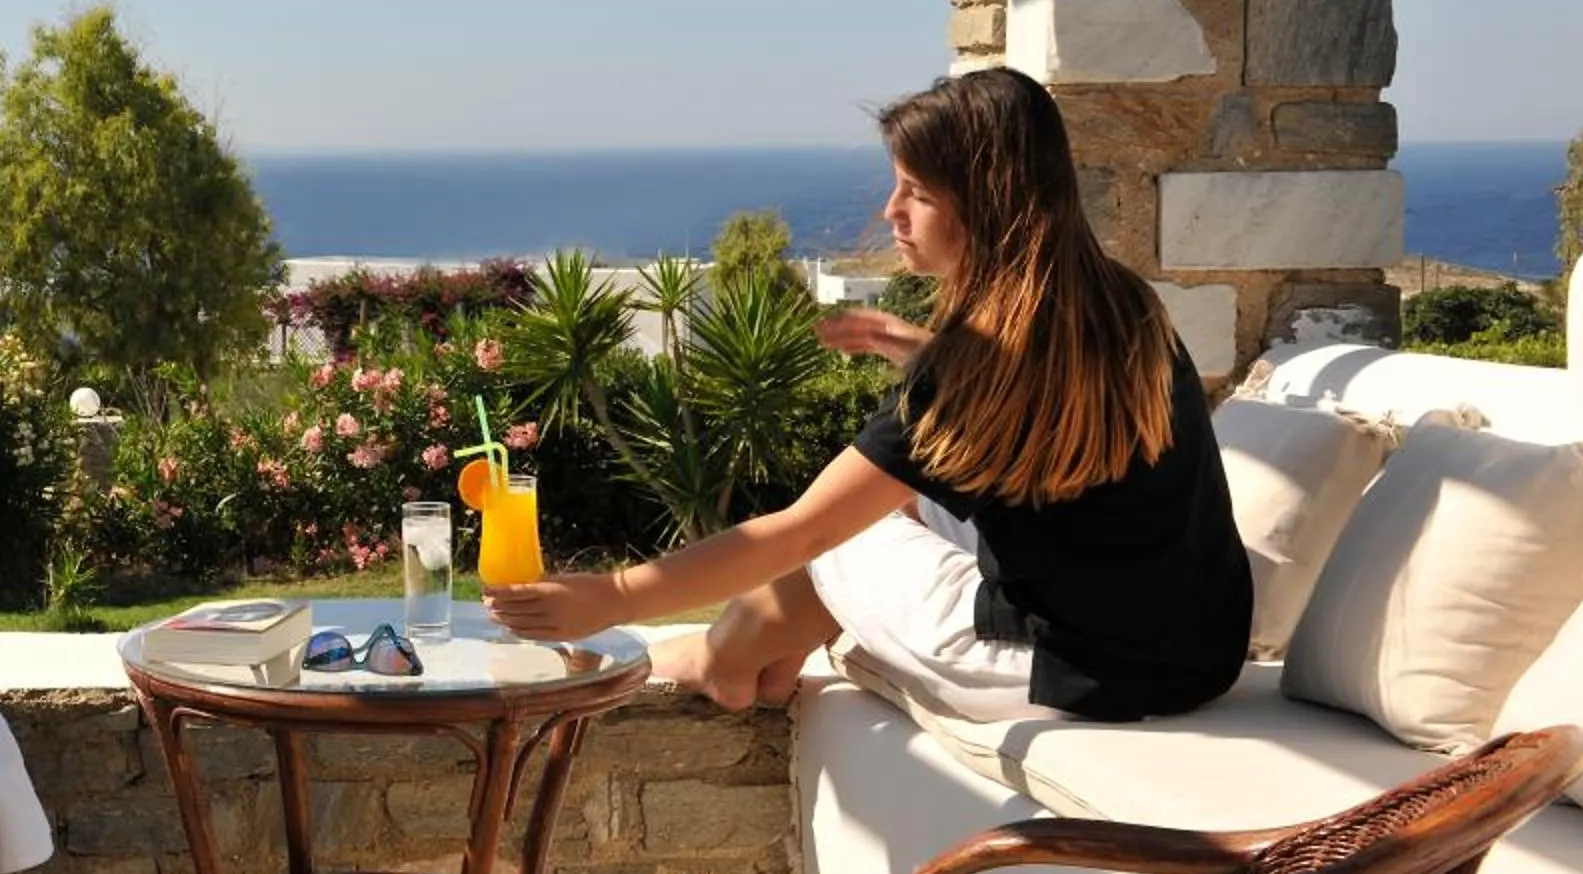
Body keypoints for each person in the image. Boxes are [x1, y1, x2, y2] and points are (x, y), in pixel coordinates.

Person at [484, 67, 1250, 724]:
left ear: (987, 201)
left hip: (1072, 674)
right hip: (1197, 657)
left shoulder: (969, 374)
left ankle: (716, 661)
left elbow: (796, 534)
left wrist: (612, 596)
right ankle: (762, 652)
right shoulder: (1119, 304)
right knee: (909, 504)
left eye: (916, 192)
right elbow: (1048, 401)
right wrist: (925, 348)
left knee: (851, 536)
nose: (892, 212)